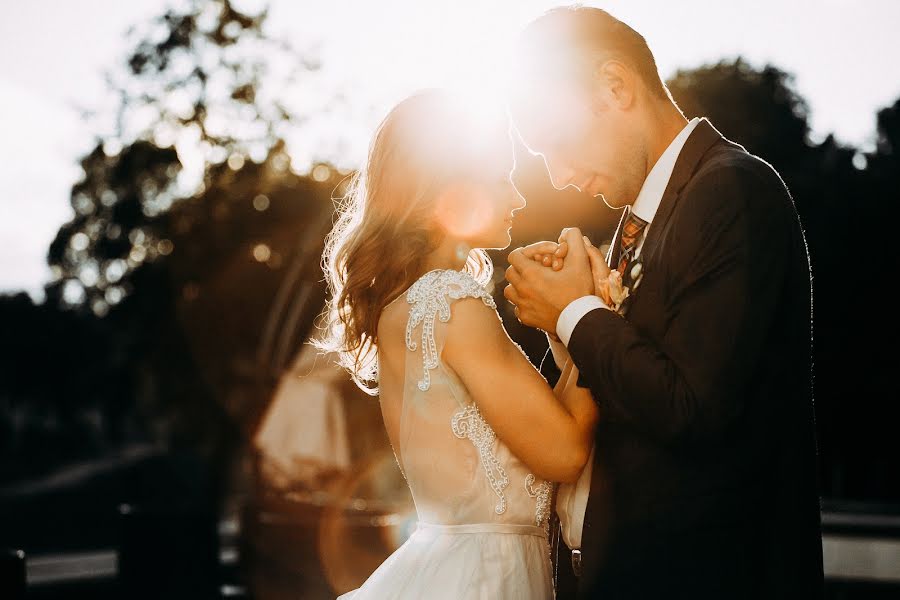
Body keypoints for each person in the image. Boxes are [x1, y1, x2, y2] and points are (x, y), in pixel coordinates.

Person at [503, 6, 824, 599]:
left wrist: (576, 313)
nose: (561, 176)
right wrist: (567, 323)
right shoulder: (637, 222)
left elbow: (691, 409)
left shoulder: (732, 188)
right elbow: (627, 385)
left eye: (557, 144)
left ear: (616, 86)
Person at [314, 89, 599, 599]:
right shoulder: (452, 302)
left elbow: (535, 432)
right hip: (487, 578)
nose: (519, 197)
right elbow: (565, 452)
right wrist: (591, 310)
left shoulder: (406, 305)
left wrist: (561, 327)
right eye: (502, 179)